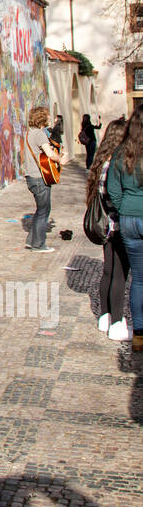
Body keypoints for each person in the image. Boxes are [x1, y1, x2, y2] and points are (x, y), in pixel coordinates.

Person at [85, 117, 128, 336]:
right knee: (119, 274)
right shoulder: (116, 163)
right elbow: (114, 197)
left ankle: (105, 316)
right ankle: (117, 324)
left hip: (104, 225)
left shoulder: (101, 161)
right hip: (117, 225)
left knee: (109, 272)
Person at [106, 103, 143, 351]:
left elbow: (112, 190)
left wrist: (125, 209)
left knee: (138, 280)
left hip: (129, 219)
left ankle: (139, 335)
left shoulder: (121, 153)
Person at [23, 105, 61, 252]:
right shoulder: (39, 134)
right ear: (42, 118)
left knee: (42, 210)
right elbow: (50, 154)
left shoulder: (30, 133)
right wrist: (60, 159)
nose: (50, 118)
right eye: (48, 115)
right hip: (39, 178)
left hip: (31, 177)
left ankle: (32, 240)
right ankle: (38, 245)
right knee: (43, 211)